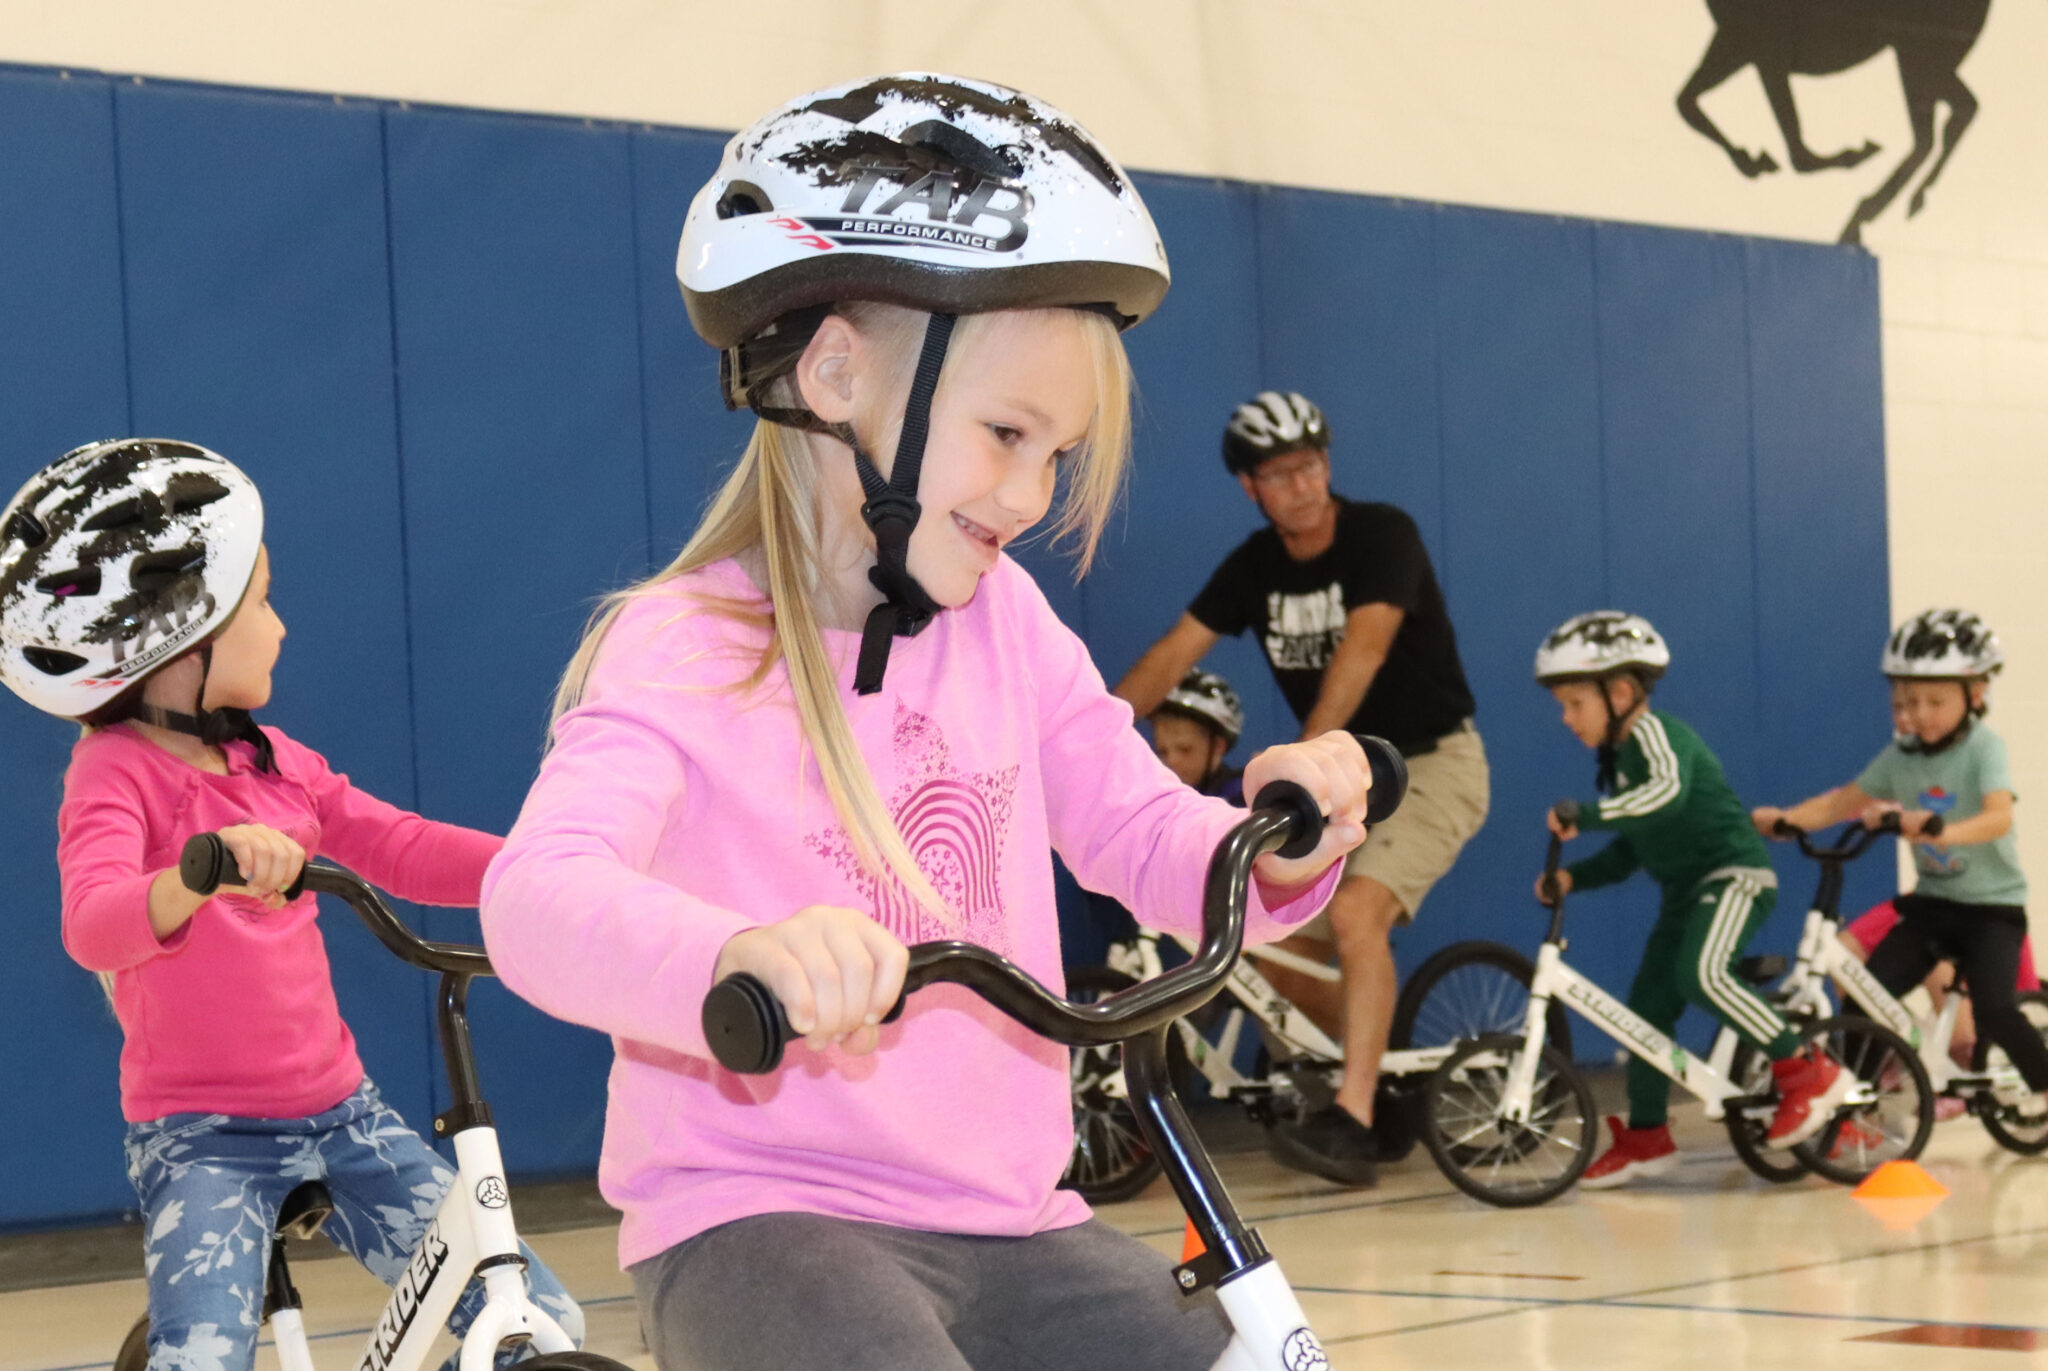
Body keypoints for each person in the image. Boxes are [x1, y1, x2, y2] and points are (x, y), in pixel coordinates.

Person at [477, 75, 1376, 1371]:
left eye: (1055, 452)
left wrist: (1274, 843)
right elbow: (538, 897)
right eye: (1006, 431)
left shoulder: (1007, 626)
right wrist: (740, 950)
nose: (1029, 489)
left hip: (1017, 1221)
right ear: (836, 369)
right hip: (765, 1218)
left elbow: (1136, 824)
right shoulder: (686, 644)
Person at [0, 439, 582, 1371]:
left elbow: (401, 844)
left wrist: (542, 867)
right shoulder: (114, 773)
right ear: (182, 639)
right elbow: (92, 921)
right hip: (202, 1137)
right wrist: (196, 872)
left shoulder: (276, 762)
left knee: (537, 1315)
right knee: (200, 1358)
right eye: (261, 601)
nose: (280, 626)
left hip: (343, 1115)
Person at [1113, 389, 1487, 1185]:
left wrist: (1308, 757)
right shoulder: (1255, 567)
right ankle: (1378, 1082)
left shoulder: (1383, 534)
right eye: (1279, 475)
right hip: (1339, 771)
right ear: (1250, 487)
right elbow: (1175, 653)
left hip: (1430, 760)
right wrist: (1089, 736)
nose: (1302, 486)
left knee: (1356, 914)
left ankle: (1352, 1115)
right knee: (1263, 935)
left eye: (1310, 466)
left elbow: (1364, 647)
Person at [1535, 611, 1848, 1188]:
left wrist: (1592, 813)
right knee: (1646, 1009)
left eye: (1575, 703)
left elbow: (1669, 797)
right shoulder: (1624, 765)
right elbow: (1634, 846)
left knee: (1701, 974)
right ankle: (1648, 1134)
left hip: (1735, 876)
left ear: (1622, 692)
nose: (1566, 717)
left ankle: (1807, 1072)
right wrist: (1574, 879)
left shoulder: (1655, 739)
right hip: (1686, 894)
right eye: (1562, 706)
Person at [1753, 608, 2048, 1123]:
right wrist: (1787, 820)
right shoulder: (1901, 757)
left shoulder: (1984, 749)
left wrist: (1942, 829)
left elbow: (1999, 817)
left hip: (1991, 910)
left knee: (1998, 1010)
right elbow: (1843, 801)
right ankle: (1851, 1105)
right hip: (1934, 905)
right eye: (1908, 701)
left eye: (1935, 701)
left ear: (1975, 695)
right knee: (1865, 994)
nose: (1919, 714)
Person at [1149, 669, 1246, 803]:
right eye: (1162, 752)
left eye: (1185, 749)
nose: (1171, 761)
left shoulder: (1245, 796)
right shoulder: (1155, 801)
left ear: (1218, 746)